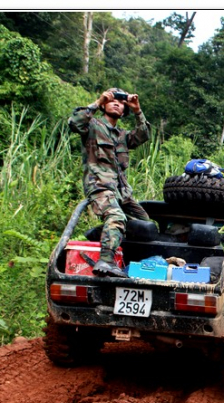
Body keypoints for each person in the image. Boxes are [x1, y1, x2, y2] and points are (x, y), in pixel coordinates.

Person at [68, 88, 152, 277]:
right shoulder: (93, 127)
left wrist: (137, 110)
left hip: (121, 191)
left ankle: (98, 235)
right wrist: (98, 102)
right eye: (113, 100)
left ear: (124, 111)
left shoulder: (122, 135)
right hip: (100, 186)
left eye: (121, 103)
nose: (117, 103)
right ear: (106, 104)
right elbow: (75, 122)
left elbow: (143, 135)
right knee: (116, 217)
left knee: (145, 226)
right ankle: (105, 261)